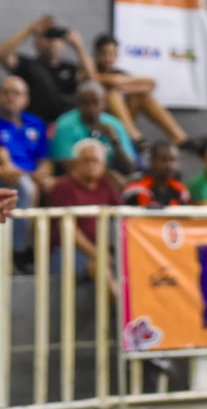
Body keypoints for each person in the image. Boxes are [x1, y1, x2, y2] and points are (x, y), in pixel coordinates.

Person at [92, 33, 191, 150]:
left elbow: (151, 83)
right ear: (96, 54)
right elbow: (113, 82)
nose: (108, 58)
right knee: (112, 94)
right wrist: (122, 83)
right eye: (104, 53)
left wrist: (123, 84)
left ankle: (179, 138)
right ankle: (135, 138)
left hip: (121, 120)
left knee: (142, 95)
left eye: (112, 53)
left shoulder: (120, 72)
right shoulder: (89, 72)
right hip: (99, 120)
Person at [0, 15, 98, 124]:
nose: (53, 42)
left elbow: (92, 79)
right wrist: (29, 31)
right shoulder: (28, 65)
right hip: (36, 125)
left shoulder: (70, 68)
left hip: (64, 127)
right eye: (48, 37)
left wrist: (78, 46)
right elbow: (3, 54)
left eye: (58, 38)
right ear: (36, 43)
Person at [0, 75, 54, 267]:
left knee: (59, 187)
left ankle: (48, 252)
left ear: (26, 99)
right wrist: (35, 177)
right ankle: (18, 252)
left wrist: (44, 176)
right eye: (5, 92)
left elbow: (45, 160)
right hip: (8, 177)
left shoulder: (36, 123)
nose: (10, 96)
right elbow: (4, 165)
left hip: (32, 176)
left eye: (16, 93)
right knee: (24, 186)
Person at [47, 139, 121, 276]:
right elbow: (67, 227)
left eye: (95, 161)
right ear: (76, 163)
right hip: (67, 251)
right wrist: (96, 254)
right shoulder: (64, 186)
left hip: (101, 250)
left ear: (104, 164)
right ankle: (120, 298)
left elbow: (121, 216)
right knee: (100, 269)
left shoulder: (106, 185)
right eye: (86, 160)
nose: (91, 165)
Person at [50, 81, 136, 176]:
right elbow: (67, 165)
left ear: (104, 104)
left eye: (96, 102)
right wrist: (108, 177)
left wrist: (115, 142)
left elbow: (129, 168)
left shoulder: (114, 124)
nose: (91, 108)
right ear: (78, 103)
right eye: (85, 103)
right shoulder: (65, 124)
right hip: (77, 180)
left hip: (113, 180)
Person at [122, 142, 190, 207]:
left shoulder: (180, 190)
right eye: (163, 160)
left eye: (173, 160)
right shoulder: (135, 190)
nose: (169, 165)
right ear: (152, 160)